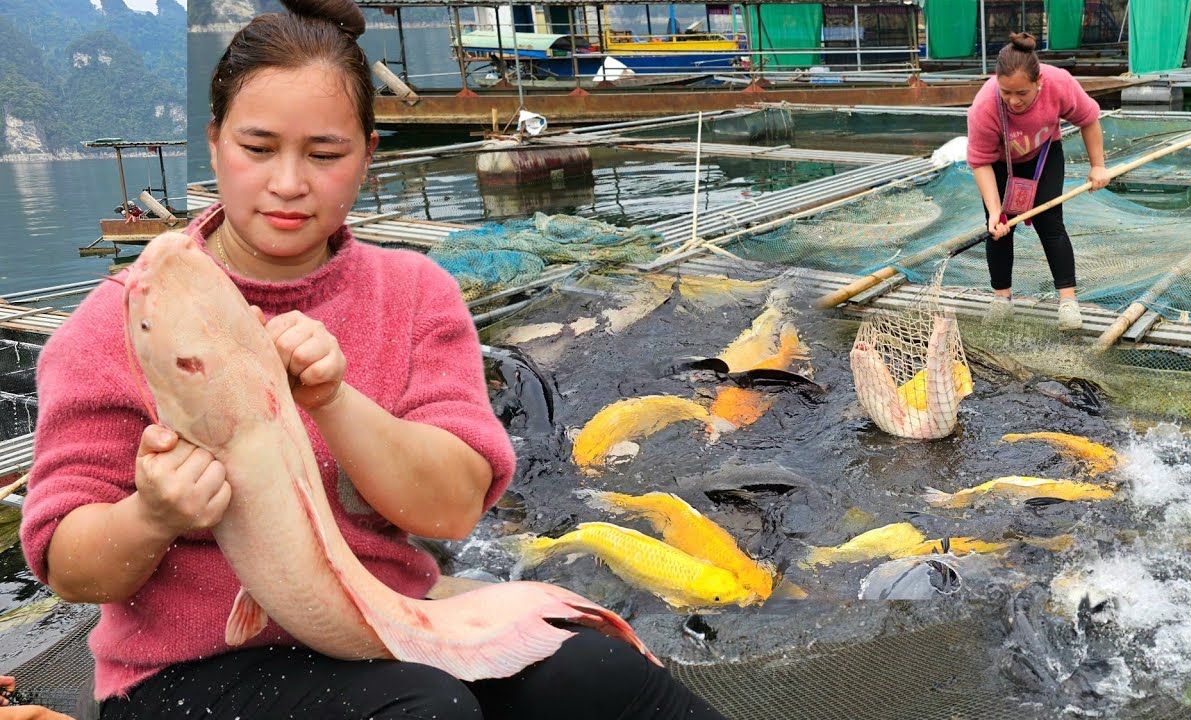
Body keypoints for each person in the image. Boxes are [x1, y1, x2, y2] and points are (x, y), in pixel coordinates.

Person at [19, 1, 725, 718]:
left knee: (603, 673)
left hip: (386, 621)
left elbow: (451, 509)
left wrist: (333, 398)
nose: (289, 182)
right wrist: (152, 514)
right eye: (257, 148)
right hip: (185, 674)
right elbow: (69, 566)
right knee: (427, 710)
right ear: (214, 142)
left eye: (325, 154)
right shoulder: (115, 322)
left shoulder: (414, 294)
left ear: (368, 153)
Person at [966, 32, 1110, 331]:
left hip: (1044, 155)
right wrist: (995, 211)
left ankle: (1068, 301)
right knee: (999, 228)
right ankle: (1002, 298)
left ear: (1038, 82)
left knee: (1050, 220)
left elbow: (1088, 119)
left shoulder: (1059, 83)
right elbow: (980, 162)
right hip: (1001, 162)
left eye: (1022, 93)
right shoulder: (984, 107)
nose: (1013, 101)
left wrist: (1098, 166)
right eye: (1006, 92)